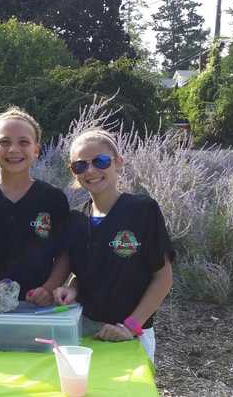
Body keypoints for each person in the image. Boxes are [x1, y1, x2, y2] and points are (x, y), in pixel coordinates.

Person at [53, 129, 174, 362]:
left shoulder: (142, 211)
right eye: (81, 165)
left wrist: (130, 327)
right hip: (86, 331)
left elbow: (163, 277)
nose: (91, 170)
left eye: (100, 161)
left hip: (131, 333)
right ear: (73, 172)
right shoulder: (76, 219)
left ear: (118, 162)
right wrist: (73, 290)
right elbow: (89, 272)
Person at [0, 107, 71, 305]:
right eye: (4, 142)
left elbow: (64, 254)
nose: (13, 149)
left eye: (23, 142)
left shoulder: (53, 198)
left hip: (40, 309)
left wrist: (49, 289)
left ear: (36, 150)